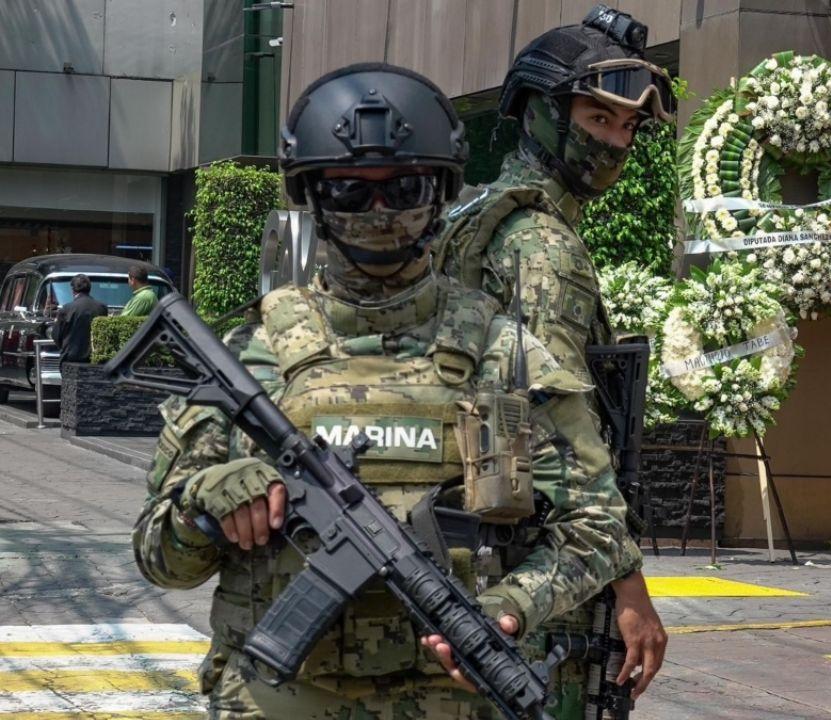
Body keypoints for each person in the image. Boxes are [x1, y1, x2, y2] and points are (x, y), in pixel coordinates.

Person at [131, 62, 641, 719]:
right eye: (349, 191)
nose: (378, 212)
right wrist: (205, 503)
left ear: (439, 191)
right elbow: (158, 559)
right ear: (313, 195)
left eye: (402, 188)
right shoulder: (251, 356)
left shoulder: (505, 352)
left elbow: (598, 528)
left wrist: (513, 606)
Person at [435, 5, 674, 712]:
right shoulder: (543, 248)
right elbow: (559, 430)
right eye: (598, 119)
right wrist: (626, 578)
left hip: (484, 542)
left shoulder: (478, 216)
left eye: (627, 127)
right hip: (539, 566)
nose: (615, 143)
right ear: (541, 112)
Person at [51, 273, 106, 364]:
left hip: (71, 358)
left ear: (73, 290)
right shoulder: (102, 308)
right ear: (89, 289)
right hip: (95, 359)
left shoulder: (66, 309)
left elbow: (56, 335)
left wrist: (65, 347)